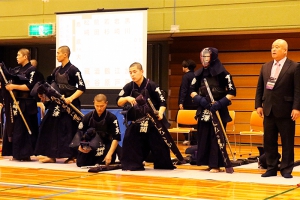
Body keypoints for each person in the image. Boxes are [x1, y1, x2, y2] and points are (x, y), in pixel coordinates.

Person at [116, 62, 175, 171]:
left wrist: (161, 113)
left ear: (142, 71)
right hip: (137, 120)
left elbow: (162, 102)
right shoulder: (129, 86)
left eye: (135, 72)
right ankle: (133, 164)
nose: (132, 75)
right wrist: (127, 98)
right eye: (130, 73)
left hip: (153, 120)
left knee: (159, 142)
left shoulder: (152, 85)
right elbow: (119, 101)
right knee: (129, 139)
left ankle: (162, 164)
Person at [255, 39, 300, 179]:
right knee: (269, 141)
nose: (273, 49)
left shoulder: (294, 66)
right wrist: (258, 105)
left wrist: (296, 108)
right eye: (272, 47)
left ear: (285, 50)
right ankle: (271, 167)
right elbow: (260, 88)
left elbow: (298, 90)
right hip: (268, 109)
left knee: (287, 141)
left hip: (286, 109)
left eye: (277, 47)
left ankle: (286, 169)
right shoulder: (265, 66)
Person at [34, 45, 86, 163]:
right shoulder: (56, 70)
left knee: (69, 129)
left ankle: (72, 155)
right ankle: (51, 155)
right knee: (49, 126)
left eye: (58, 53)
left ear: (65, 54)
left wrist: (70, 98)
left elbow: (82, 87)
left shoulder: (74, 70)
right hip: (57, 104)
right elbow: (50, 86)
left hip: (69, 105)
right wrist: (44, 96)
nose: (56, 55)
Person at [190, 47, 236, 173]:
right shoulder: (198, 73)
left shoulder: (223, 73)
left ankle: (216, 164)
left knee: (216, 137)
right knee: (203, 135)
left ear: (213, 57)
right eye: (203, 56)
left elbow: (232, 91)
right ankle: (207, 162)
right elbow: (192, 90)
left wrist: (220, 103)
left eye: (207, 56)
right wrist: (200, 100)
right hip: (204, 108)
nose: (204, 59)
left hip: (218, 109)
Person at [0, 49, 39, 161]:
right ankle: (15, 153)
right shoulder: (17, 70)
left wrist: (13, 87)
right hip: (15, 102)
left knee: (23, 129)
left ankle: (24, 154)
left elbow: (29, 86)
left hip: (27, 104)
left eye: (19, 55)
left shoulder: (32, 70)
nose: (17, 57)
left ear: (25, 56)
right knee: (14, 128)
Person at [75, 94, 121, 167]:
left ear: (106, 103)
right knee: (80, 163)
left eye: (102, 106)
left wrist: (109, 154)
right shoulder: (88, 117)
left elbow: (116, 138)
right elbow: (79, 133)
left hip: (106, 144)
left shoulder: (112, 118)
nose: (99, 108)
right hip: (91, 145)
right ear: (94, 103)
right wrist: (80, 146)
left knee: (104, 163)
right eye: (97, 106)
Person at [178, 59, 197, 145]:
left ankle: (188, 138)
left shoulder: (186, 76)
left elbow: (184, 89)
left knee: (181, 121)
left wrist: (181, 102)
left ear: (186, 68)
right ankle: (194, 140)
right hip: (196, 101)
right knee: (195, 121)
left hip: (187, 102)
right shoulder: (197, 75)